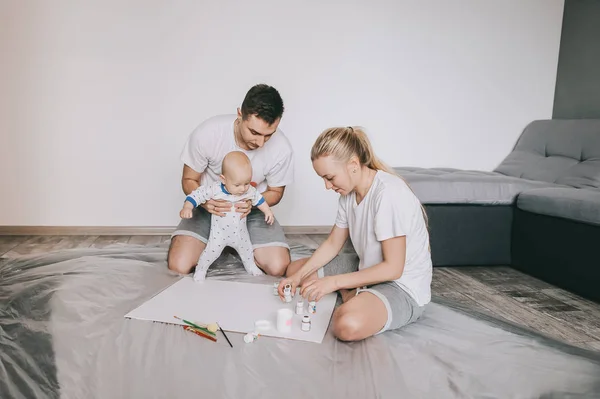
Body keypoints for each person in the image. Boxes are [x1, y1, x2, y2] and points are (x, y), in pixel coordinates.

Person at [278, 126, 432, 342]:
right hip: (366, 265)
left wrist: (334, 283)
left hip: (400, 286)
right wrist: (296, 277)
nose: (326, 186)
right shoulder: (348, 195)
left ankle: (351, 292)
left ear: (352, 165)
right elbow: (333, 244)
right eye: (323, 179)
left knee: (347, 324)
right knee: (294, 270)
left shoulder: (389, 194)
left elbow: (394, 269)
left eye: (330, 177)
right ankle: (352, 289)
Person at [169, 84, 294, 276]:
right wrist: (207, 204)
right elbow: (189, 179)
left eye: (269, 135)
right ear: (239, 115)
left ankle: (235, 244)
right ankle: (218, 244)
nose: (261, 143)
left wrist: (251, 204)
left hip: (249, 210)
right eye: (254, 132)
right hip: (210, 207)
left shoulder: (282, 148)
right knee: (179, 266)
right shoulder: (208, 133)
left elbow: (276, 192)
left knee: (277, 267)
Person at [179, 151, 275, 281]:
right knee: (210, 253)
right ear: (223, 179)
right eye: (237, 185)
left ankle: (251, 266)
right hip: (219, 234)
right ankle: (201, 269)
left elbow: (259, 199)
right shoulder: (215, 189)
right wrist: (187, 206)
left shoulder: (248, 191)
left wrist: (267, 211)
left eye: (247, 183)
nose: (243, 189)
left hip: (241, 234)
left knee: (247, 251)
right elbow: (196, 195)